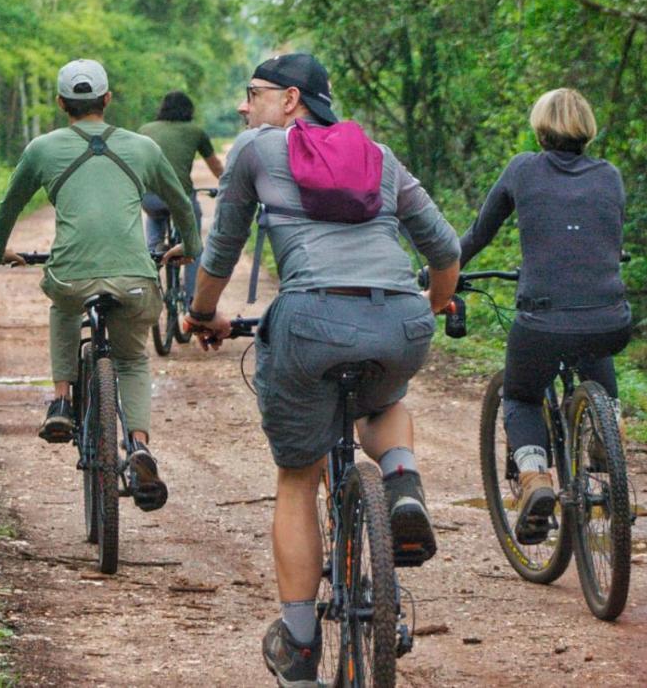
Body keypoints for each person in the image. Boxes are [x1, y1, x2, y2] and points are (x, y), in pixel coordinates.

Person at [186, 53, 460, 686]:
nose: (242, 105)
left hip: (311, 322)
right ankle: (402, 483)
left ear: (289, 100)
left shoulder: (256, 151)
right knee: (384, 404)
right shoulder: (381, 156)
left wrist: (202, 314)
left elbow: (221, 250)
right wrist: (433, 305)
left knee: (297, 476)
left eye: (252, 92)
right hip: (399, 322)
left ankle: (302, 644)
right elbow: (445, 250)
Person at [0, 59, 201, 511]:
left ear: (62, 103)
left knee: (63, 301)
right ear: (107, 99)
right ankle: (139, 445)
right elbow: (181, 200)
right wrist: (190, 247)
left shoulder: (42, 148)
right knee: (131, 359)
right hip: (134, 279)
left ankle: (62, 401)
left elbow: (10, 205)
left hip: (73, 275)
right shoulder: (142, 148)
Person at [458, 87, 631, 546]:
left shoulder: (523, 169)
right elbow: (610, 236)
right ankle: (605, 430)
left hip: (542, 320)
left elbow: (479, 234)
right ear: (587, 130)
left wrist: (440, 270)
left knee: (518, 394)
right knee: (592, 340)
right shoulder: (610, 175)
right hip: (610, 317)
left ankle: (535, 478)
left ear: (540, 128)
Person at [137, 91, 224, 304]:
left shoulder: (144, 130)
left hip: (149, 198)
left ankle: (153, 255)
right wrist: (228, 186)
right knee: (192, 242)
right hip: (180, 199)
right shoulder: (196, 132)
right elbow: (216, 166)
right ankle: (193, 298)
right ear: (189, 110)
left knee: (155, 215)